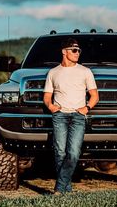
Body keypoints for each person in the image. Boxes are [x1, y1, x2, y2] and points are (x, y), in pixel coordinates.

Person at [43, 38, 99, 194]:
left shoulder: (85, 71)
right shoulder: (53, 72)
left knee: (73, 153)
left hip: (78, 116)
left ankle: (59, 188)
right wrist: (51, 107)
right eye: (74, 50)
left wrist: (87, 107)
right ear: (64, 52)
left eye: (79, 50)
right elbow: (47, 96)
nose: (77, 53)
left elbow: (94, 95)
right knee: (60, 152)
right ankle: (66, 190)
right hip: (59, 116)